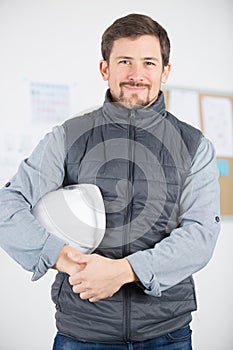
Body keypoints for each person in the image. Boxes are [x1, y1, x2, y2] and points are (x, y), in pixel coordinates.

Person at [0, 13, 220, 350]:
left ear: (165, 71)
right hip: (82, 333)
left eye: (149, 62)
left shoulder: (195, 145)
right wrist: (62, 257)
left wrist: (125, 271)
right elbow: (8, 205)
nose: (136, 74)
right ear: (105, 69)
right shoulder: (66, 137)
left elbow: (201, 234)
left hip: (168, 334)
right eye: (124, 62)